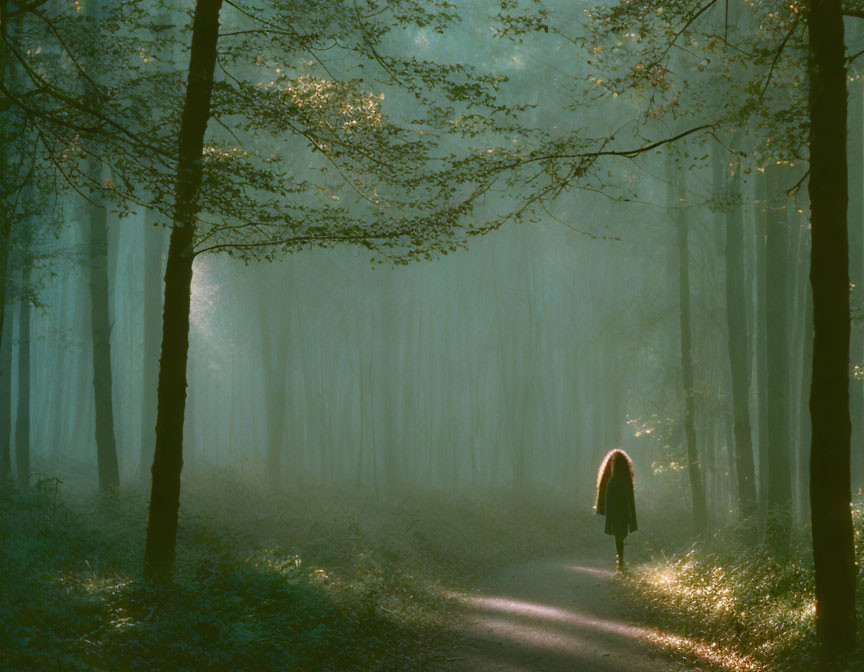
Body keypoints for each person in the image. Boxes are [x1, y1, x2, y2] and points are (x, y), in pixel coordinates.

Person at [595, 449, 637, 571]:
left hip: (616, 510)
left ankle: (620, 558)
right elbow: (630, 497)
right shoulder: (624, 481)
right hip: (623, 510)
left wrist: (604, 509)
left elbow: (606, 495)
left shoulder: (612, 481)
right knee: (620, 533)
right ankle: (621, 558)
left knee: (618, 534)